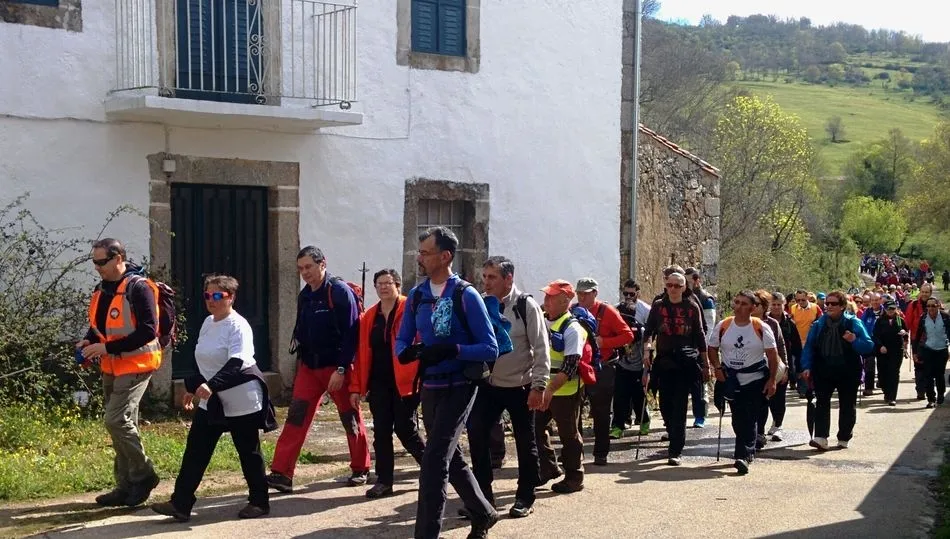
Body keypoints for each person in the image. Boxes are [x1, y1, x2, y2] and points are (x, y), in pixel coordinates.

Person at [395, 227, 499, 539]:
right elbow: (402, 337)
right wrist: (406, 352)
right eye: (420, 252)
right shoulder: (417, 295)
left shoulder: (465, 295)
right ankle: (484, 513)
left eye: (425, 252)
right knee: (448, 456)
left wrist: (454, 349)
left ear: (445, 256)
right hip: (431, 386)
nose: (420, 258)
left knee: (434, 461)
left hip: (460, 385)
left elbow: (490, 348)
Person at [152, 275, 276, 521]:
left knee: (248, 451)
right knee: (196, 449)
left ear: (231, 297)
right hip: (213, 398)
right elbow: (206, 361)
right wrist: (194, 385)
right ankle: (181, 503)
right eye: (208, 295)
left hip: (242, 398)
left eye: (218, 295)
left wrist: (212, 385)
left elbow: (237, 363)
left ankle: (259, 502)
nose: (212, 300)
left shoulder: (238, 326)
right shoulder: (209, 322)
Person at [267, 247, 370, 493]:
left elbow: (352, 334)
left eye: (309, 267)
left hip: (337, 368)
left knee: (350, 417)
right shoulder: (306, 295)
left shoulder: (339, 292)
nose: (305, 273)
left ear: (322, 264)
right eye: (301, 269)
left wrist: (342, 369)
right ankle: (282, 473)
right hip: (310, 368)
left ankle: (361, 468)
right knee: (296, 416)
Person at [78, 238, 162, 507]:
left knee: (116, 420)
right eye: (94, 262)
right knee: (123, 426)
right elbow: (99, 325)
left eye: (101, 262)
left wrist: (106, 347)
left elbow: (149, 330)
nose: (97, 267)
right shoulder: (102, 288)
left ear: (118, 258)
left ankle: (144, 474)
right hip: (112, 365)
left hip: (137, 365)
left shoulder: (139, 288)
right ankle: (125, 487)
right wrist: (88, 341)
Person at [467, 256, 550, 518]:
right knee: (477, 435)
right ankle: (483, 499)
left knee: (526, 442)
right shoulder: (480, 302)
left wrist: (539, 386)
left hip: (522, 386)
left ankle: (525, 496)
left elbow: (541, 348)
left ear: (508, 278)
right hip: (488, 385)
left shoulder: (526, 306)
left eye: (492, 277)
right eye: (485, 277)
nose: (486, 282)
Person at [348, 269, 425, 499]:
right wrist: (356, 387)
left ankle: (434, 467)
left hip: (405, 381)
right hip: (379, 382)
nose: (383, 287)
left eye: (388, 282)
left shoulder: (410, 310)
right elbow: (361, 354)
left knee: (405, 429)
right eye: (379, 283)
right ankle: (384, 481)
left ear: (398, 285)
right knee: (381, 431)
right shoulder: (369, 317)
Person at [707, 291, 779, 474]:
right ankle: (746, 448)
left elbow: (772, 355)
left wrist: (772, 380)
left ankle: (743, 455)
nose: (738, 307)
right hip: (730, 380)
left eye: (744, 304)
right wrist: (717, 367)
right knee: (738, 419)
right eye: (737, 302)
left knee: (750, 418)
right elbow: (712, 348)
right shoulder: (724, 325)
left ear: (753, 308)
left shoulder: (760, 327)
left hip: (754, 380)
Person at [643, 272, 709, 466]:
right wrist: (647, 350)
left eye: (677, 286)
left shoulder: (692, 306)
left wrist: (706, 363)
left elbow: (700, 334)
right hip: (664, 361)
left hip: (685, 362)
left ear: (684, 287)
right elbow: (649, 331)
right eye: (669, 285)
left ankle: (675, 450)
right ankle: (673, 434)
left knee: (679, 405)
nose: (672, 289)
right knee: (664, 405)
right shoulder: (658, 306)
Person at [800, 291, 874, 450]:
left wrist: (854, 340)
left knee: (847, 404)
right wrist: (806, 366)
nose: (829, 306)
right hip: (823, 369)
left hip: (848, 370)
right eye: (827, 303)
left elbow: (868, 345)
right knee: (821, 402)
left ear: (842, 306)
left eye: (833, 304)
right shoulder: (819, 324)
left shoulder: (853, 323)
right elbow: (809, 347)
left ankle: (844, 437)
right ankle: (821, 437)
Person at [534, 280, 587, 493]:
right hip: (543, 388)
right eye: (546, 296)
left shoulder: (572, 328)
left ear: (565, 301)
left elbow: (571, 365)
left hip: (565, 391)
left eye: (551, 297)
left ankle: (575, 477)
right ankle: (549, 468)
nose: (545, 301)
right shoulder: (543, 320)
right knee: (535, 429)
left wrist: (550, 390)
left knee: (569, 435)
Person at [575, 277, 633, 464]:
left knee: (600, 412)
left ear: (595, 293)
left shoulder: (607, 311)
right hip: (579, 368)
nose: (581, 296)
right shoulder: (574, 311)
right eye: (579, 293)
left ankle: (601, 453)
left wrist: (604, 342)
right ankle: (574, 452)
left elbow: (628, 335)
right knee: (573, 412)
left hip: (603, 367)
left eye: (586, 293)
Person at [613, 280, 651, 436]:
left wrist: (646, 371)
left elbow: (649, 340)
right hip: (621, 363)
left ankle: (644, 420)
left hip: (638, 365)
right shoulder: (617, 312)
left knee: (638, 396)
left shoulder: (644, 316)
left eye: (632, 294)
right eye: (625, 293)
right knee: (620, 395)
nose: (628, 297)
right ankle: (617, 426)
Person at [751, 290, 787, 447]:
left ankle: (760, 433)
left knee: (765, 401)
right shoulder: (741, 321)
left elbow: (780, 346)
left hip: (768, 368)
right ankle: (753, 433)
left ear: (764, 306)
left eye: (756, 304)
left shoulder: (772, 324)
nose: (752, 306)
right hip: (748, 369)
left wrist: (784, 369)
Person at [912, 298, 950, 408]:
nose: (930, 308)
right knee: (927, 375)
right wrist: (915, 351)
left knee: (939, 374)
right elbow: (917, 335)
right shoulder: (923, 318)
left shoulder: (945, 317)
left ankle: (941, 394)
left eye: (933, 306)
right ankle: (931, 399)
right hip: (928, 349)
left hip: (942, 350)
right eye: (928, 306)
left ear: (938, 306)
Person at [873, 299, 909, 406]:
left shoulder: (899, 320)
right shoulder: (880, 321)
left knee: (894, 373)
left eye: (893, 308)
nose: (891, 311)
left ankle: (892, 397)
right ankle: (886, 391)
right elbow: (875, 335)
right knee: (883, 373)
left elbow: (906, 334)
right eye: (889, 308)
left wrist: (904, 333)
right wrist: (880, 346)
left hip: (896, 350)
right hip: (883, 351)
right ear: (885, 309)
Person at [904, 283, 933, 400]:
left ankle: (928, 389)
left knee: (930, 366)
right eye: (923, 292)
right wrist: (906, 338)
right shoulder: (914, 305)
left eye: (927, 292)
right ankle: (920, 390)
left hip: (932, 341)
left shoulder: (935, 304)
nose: (925, 294)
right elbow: (907, 322)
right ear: (920, 292)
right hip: (917, 340)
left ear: (930, 293)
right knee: (919, 366)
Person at [860, 293, 885, 396]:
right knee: (869, 365)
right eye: (873, 300)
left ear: (881, 300)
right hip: (870, 343)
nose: (875, 302)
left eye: (877, 300)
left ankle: (884, 384)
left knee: (883, 365)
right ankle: (869, 387)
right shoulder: (867, 312)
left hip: (883, 343)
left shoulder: (885, 311)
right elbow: (862, 325)